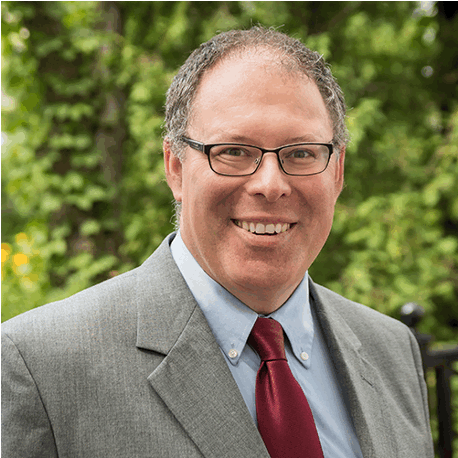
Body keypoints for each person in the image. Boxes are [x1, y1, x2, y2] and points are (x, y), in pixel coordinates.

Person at [1, 27, 434, 458]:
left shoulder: (392, 350)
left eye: (301, 153)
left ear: (336, 173)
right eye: (233, 151)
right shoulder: (41, 366)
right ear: (175, 168)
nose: (270, 185)